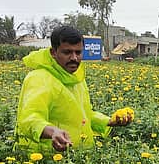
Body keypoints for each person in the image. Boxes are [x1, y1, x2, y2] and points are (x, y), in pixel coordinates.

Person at [15, 25, 132, 154]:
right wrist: (53, 131)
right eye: (67, 52)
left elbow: (84, 115)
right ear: (53, 52)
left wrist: (110, 121)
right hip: (46, 160)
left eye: (78, 52)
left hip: (77, 158)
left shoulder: (76, 78)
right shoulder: (39, 79)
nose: (74, 58)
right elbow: (29, 119)